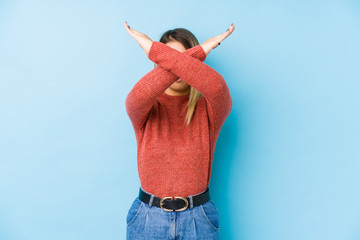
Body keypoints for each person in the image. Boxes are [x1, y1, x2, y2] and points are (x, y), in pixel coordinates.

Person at [124, 21, 235, 239]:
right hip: (148, 217)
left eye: (186, 58)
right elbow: (137, 96)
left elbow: (218, 87)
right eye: (166, 56)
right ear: (157, 63)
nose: (177, 67)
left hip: (198, 218)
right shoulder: (146, 109)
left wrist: (155, 49)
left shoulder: (208, 110)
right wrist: (199, 51)